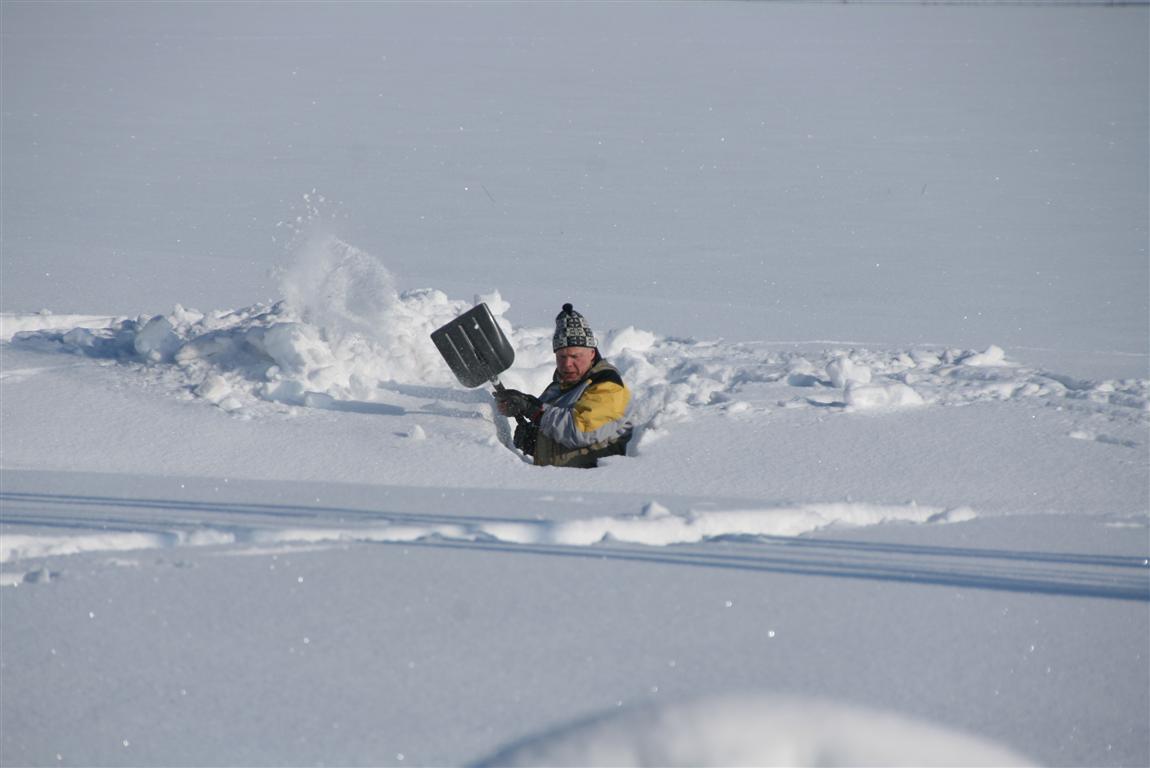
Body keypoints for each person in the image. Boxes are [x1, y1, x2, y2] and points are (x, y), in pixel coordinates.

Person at [494, 304, 632, 468]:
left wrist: (533, 410)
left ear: (592, 353)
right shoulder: (559, 387)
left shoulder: (607, 385)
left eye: (575, 356)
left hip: (593, 484)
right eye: (561, 356)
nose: (567, 364)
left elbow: (580, 431)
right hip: (558, 480)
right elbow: (555, 431)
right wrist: (535, 441)